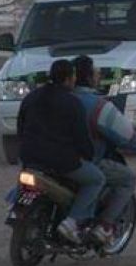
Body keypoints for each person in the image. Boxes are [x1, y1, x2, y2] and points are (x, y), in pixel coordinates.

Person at [17, 59, 103, 245]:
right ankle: (72, 222)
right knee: (97, 179)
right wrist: (88, 156)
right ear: (68, 78)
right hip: (61, 162)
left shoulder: (31, 97)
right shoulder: (72, 103)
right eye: (73, 76)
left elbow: (20, 127)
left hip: (30, 158)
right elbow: (81, 137)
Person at [71, 56, 136, 246]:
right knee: (128, 178)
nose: (98, 76)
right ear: (89, 77)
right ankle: (105, 225)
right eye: (95, 73)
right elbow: (128, 136)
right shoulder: (98, 105)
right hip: (85, 161)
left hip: (47, 159)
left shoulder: (58, 99)